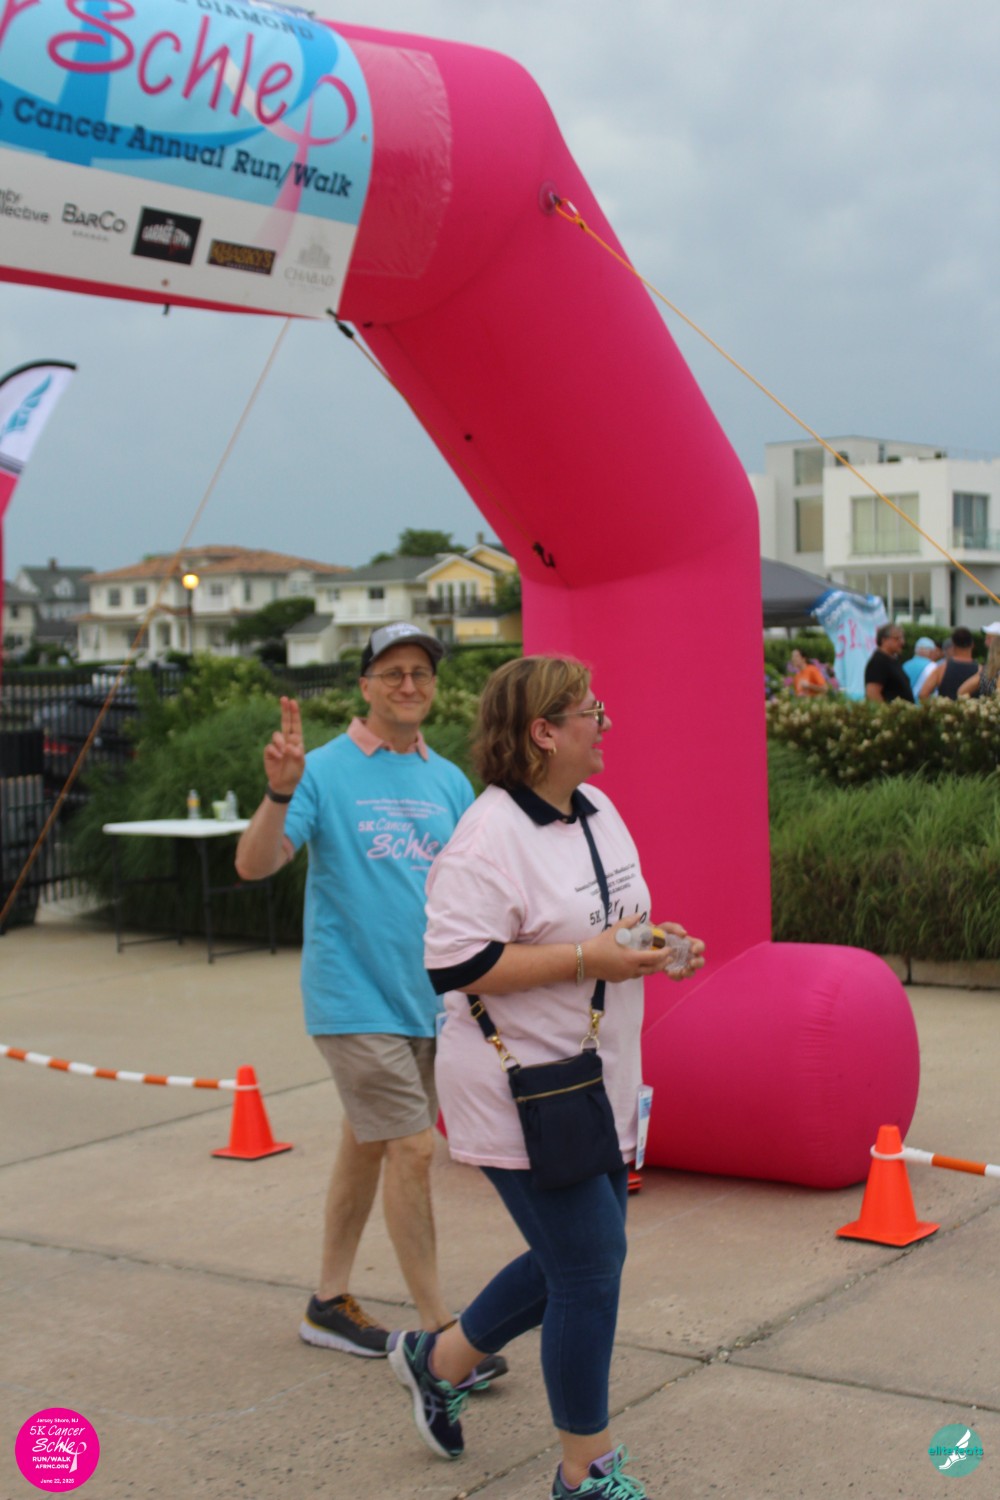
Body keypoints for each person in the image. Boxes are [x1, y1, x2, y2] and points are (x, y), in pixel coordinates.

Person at [387, 655, 705, 1500]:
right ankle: (584, 1473)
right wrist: (585, 960)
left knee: (583, 1256)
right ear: (543, 733)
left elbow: (614, 927)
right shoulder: (485, 839)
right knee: (589, 1269)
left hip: (594, 1076)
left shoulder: (598, 810)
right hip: (519, 1085)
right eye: (590, 711)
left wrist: (660, 945)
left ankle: (438, 1361)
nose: (604, 724)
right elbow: (455, 965)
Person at [234, 622, 504, 1388]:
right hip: (352, 998)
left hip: (429, 1002)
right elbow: (254, 864)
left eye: (421, 672)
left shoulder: (448, 781)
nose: (409, 685)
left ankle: (328, 1302)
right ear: (364, 685)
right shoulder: (321, 771)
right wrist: (279, 791)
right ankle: (441, 1340)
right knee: (413, 1149)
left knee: (367, 1141)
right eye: (393, 672)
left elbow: (473, 891)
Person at [918, 626, 978, 701]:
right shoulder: (980, 670)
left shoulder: (942, 669)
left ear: (953, 645)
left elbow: (923, 694)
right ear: (972, 645)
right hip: (972, 708)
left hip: (946, 708)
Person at [864, 624, 914, 704]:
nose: (902, 642)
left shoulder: (893, 660)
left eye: (902, 638)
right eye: (897, 638)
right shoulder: (878, 662)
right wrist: (885, 711)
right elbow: (872, 694)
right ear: (884, 640)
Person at [958, 621, 1000, 700]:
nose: (985, 642)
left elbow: (961, 691)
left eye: (989, 638)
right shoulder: (987, 670)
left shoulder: (988, 671)